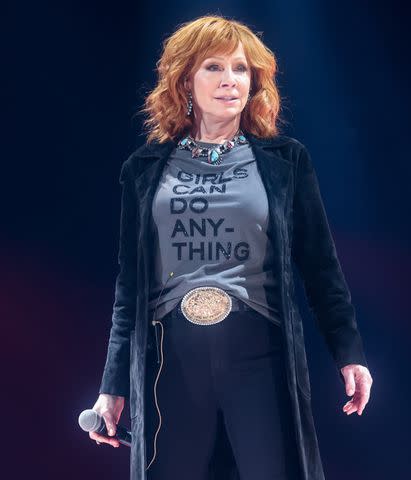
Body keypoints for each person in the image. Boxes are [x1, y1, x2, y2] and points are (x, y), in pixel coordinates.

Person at [89, 14, 373, 480]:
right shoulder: (143, 169)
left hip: (259, 355)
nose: (230, 81)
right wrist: (112, 384)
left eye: (241, 69)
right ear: (184, 81)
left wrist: (350, 353)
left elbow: (321, 267)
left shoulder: (285, 162)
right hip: (171, 361)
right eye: (214, 67)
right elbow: (129, 289)